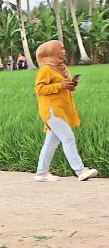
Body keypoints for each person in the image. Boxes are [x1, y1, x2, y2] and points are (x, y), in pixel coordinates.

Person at [32, 40, 97, 181]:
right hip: (52, 110)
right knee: (68, 138)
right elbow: (39, 89)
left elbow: (63, 86)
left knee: (51, 143)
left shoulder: (62, 67)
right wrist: (60, 85)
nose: (64, 51)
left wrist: (69, 85)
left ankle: (41, 172)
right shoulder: (45, 69)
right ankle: (80, 170)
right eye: (61, 49)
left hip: (62, 109)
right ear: (52, 52)